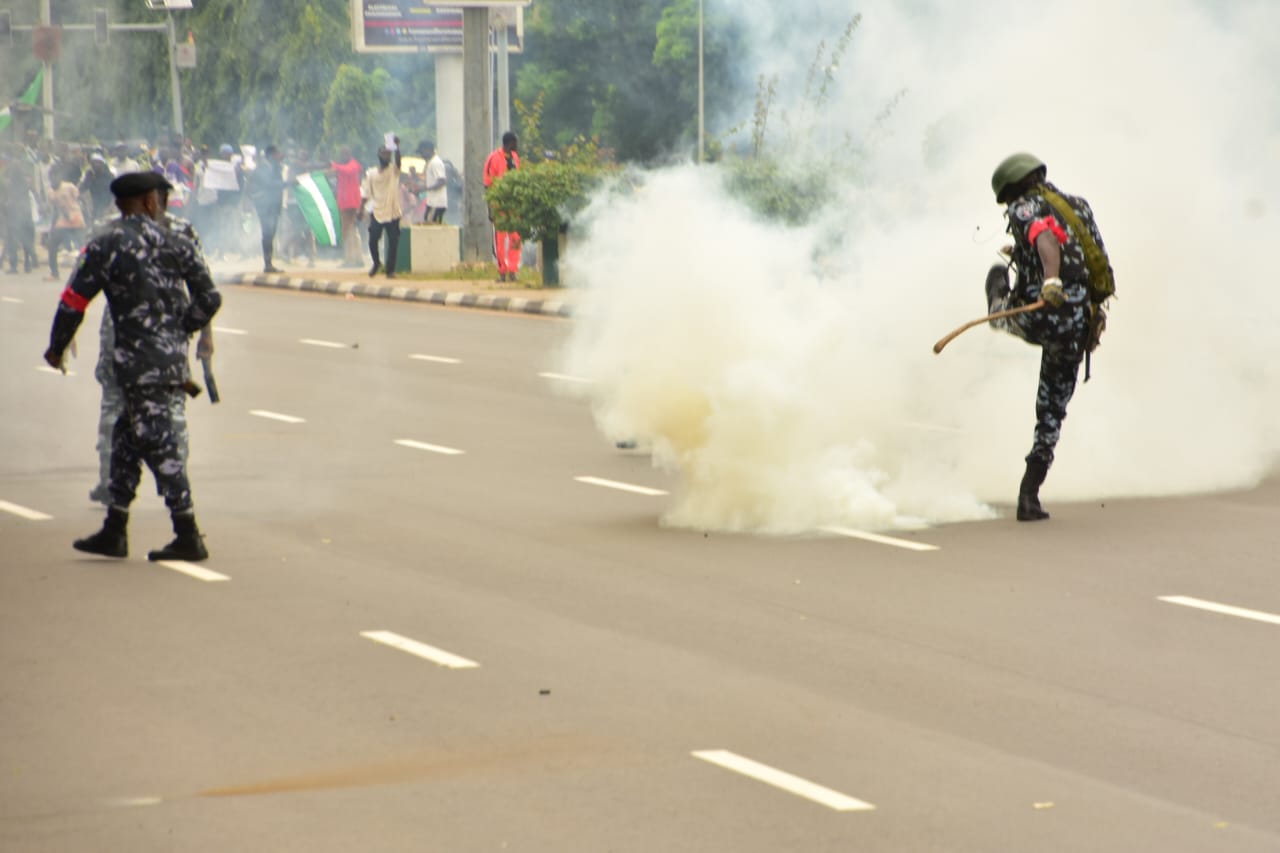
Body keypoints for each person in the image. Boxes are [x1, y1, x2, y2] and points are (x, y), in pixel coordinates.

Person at [43, 171, 221, 562]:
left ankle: (188, 533)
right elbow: (209, 297)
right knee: (126, 443)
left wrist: (57, 347)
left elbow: (74, 300)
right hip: (166, 362)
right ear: (149, 202)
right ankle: (115, 529)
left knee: (161, 447)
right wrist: (180, 330)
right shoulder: (178, 240)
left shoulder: (105, 244)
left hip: (133, 363)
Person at [985, 152, 1112, 522]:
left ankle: (996, 304)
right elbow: (1090, 256)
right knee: (1052, 411)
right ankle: (1029, 495)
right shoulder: (1078, 207)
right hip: (1077, 324)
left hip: (1042, 312)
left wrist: (1051, 279)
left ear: (1014, 189)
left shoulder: (1024, 208)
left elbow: (1044, 237)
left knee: (998, 294)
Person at [89, 182, 213, 505]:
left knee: (125, 408)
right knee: (149, 409)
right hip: (155, 337)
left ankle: (124, 491)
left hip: (127, 334)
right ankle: (157, 489)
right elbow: (205, 291)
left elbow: (81, 288)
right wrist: (191, 330)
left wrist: (201, 333)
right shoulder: (178, 232)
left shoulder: (114, 232)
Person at [361, 137, 402, 279]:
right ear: (379, 155)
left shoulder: (393, 171)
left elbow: (398, 163)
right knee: (373, 240)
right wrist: (361, 209)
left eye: (388, 154)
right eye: (384, 154)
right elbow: (366, 193)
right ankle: (376, 263)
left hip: (392, 210)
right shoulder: (371, 173)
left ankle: (390, 270)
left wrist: (396, 148)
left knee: (393, 242)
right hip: (377, 210)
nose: (387, 156)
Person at [484, 131, 522, 282]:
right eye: (515, 142)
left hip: (514, 205)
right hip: (499, 205)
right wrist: (490, 209)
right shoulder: (493, 158)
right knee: (500, 241)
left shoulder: (515, 158)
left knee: (516, 239)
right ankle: (502, 272)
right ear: (509, 143)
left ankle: (513, 271)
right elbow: (487, 185)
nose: (517, 146)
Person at [246, 143, 286, 273]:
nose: (280, 156)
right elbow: (269, 184)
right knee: (268, 233)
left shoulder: (274, 168)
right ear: (271, 155)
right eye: (277, 153)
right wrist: (288, 183)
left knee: (271, 233)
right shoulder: (263, 168)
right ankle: (268, 264)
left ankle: (269, 263)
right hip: (265, 206)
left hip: (272, 206)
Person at [45, 168, 85, 280]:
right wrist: (53, 226)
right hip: (63, 222)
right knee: (52, 246)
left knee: (82, 247)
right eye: (51, 178)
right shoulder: (51, 192)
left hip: (76, 219)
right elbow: (56, 210)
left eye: (55, 176)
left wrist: (82, 212)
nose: (54, 180)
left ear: (60, 177)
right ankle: (54, 273)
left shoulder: (69, 187)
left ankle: (84, 271)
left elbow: (80, 199)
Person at [329, 146, 364, 267]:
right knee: (350, 231)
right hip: (345, 202)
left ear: (349, 154)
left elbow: (348, 170)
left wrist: (334, 165)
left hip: (352, 202)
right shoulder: (342, 167)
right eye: (341, 154)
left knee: (349, 231)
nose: (342, 156)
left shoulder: (353, 165)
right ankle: (355, 258)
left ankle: (351, 259)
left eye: (344, 154)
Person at [3, 162, 37, 274]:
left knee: (12, 240)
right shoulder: (26, 184)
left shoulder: (9, 184)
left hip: (14, 215)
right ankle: (28, 263)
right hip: (26, 214)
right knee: (26, 238)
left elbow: (9, 201)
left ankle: (14, 266)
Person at [79, 153, 116, 224]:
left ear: (102, 164)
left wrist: (111, 207)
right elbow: (82, 189)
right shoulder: (89, 175)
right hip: (94, 206)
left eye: (98, 163)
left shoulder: (109, 176)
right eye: (93, 163)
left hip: (108, 206)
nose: (96, 165)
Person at [421, 141, 448, 224]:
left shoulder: (435, 162)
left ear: (429, 150)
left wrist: (426, 188)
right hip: (432, 202)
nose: (421, 155)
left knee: (431, 226)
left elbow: (442, 181)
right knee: (429, 223)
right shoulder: (431, 162)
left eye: (422, 152)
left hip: (436, 203)